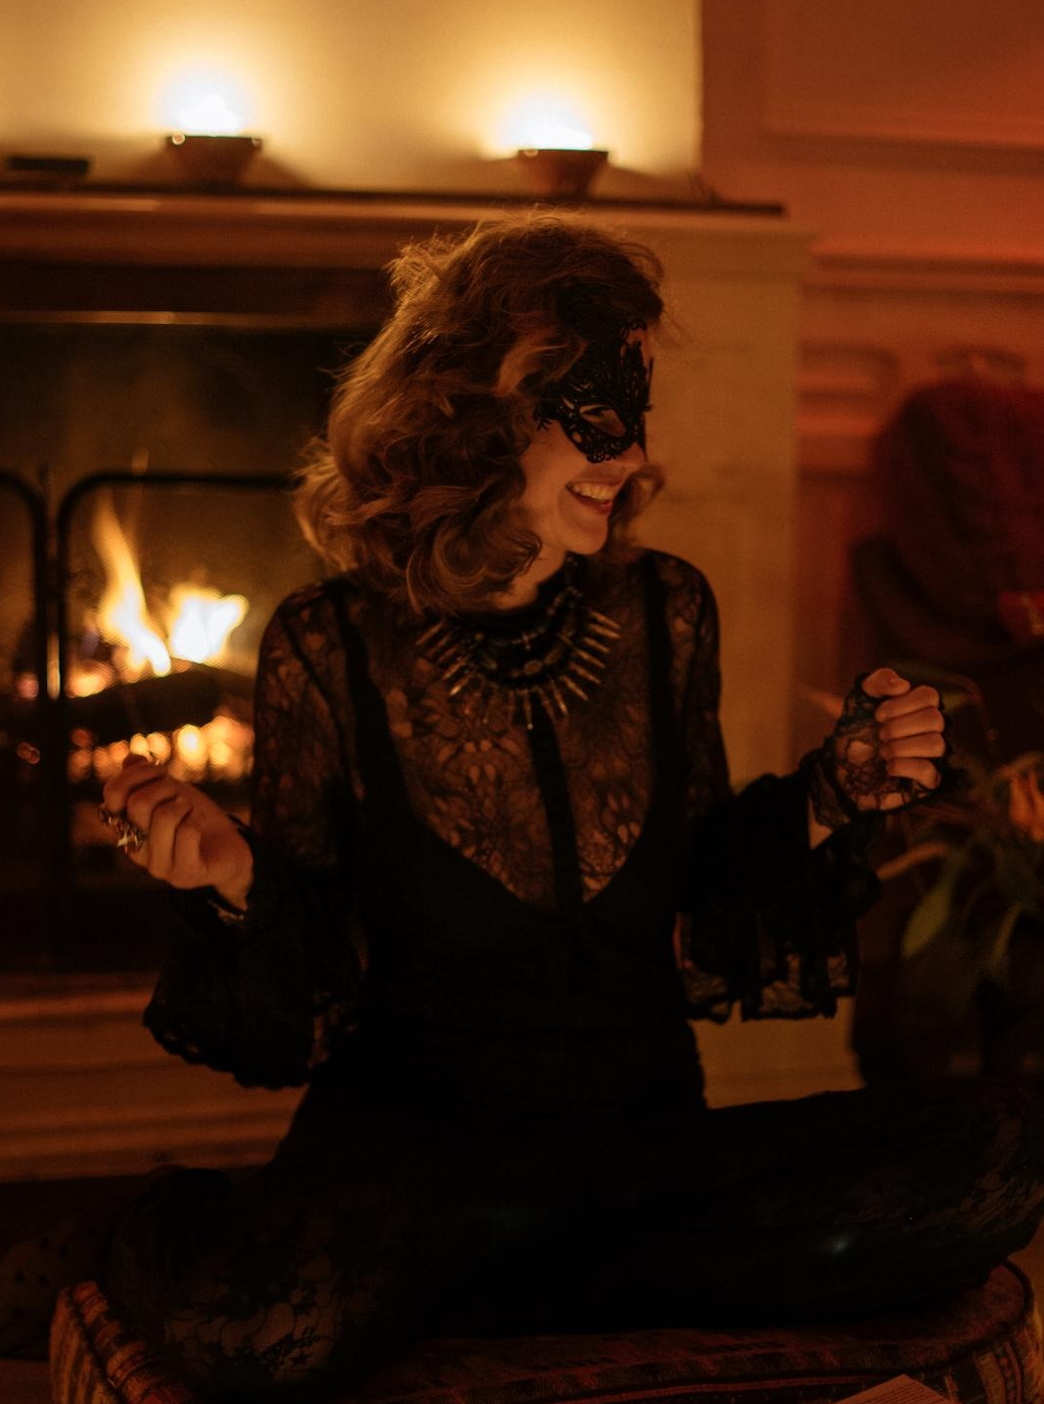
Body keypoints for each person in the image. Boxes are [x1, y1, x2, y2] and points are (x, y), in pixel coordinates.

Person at [27, 217, 1044, 1400]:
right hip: (416, 1168)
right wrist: (235, 882)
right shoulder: (332, 643)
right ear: (478, 418)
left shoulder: (667, 613)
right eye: (594, 410)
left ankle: (519, 1280)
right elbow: (314, 987)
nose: (631, 451)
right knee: (254, 1331)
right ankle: (525, 1271)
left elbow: (703, 891)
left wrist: (834, 791)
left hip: (642, 1156)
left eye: (639, 405)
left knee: (1003, 1156)